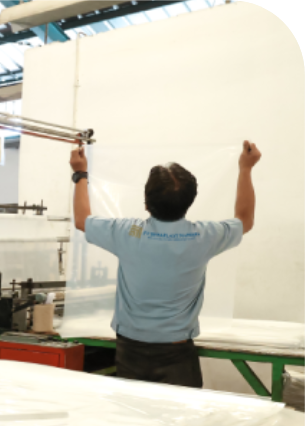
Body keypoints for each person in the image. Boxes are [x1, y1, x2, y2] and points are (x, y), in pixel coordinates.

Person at [70, 141, 262, 388]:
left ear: (146, 203)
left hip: (130, 349)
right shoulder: (202, 237)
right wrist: (246, 168)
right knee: (181, 414)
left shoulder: (130, 232)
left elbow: (82, 220)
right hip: (177, 352)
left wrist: (80, 173)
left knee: (134, 411)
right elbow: (245, 220)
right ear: (190, 201)